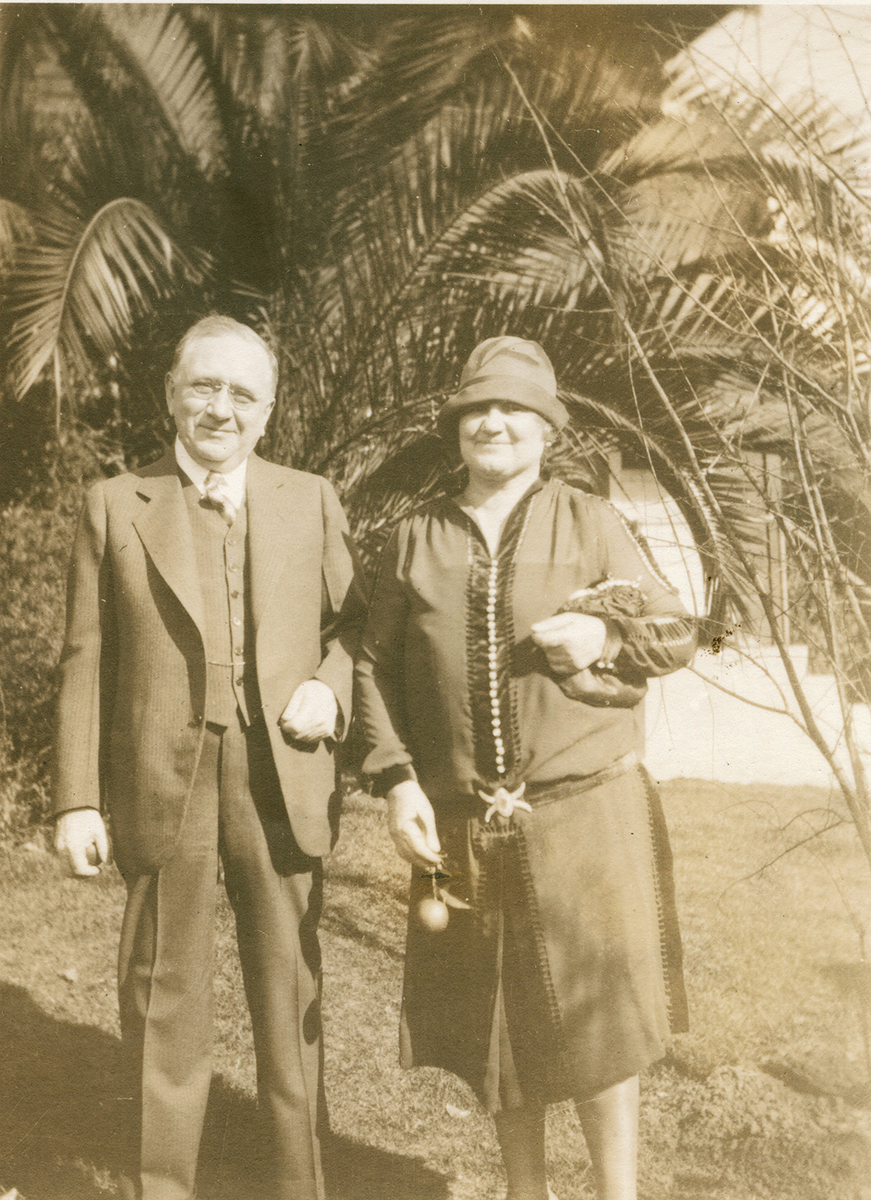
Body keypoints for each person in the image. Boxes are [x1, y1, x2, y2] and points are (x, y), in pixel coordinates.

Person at [354, 337, 697, 1200]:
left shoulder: (591, 521)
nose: (494, 423)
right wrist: (397, 780)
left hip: (586, 812)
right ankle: (523, 1193)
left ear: (546, 431)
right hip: (467, 821)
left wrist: (606, 635)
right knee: (498, 1027)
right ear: (456, 427)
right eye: (477, 410)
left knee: (600, 1026)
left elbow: (678, 631)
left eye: (514, 410)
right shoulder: (416, 537)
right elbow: (372, 665)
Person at [52, 315, 363, 1200]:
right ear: (171, 394)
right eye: (204, 386)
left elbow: (355, 629)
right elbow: (85, 657)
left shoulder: (310, 497)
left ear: (267, 412)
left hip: (279, 774)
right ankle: (163, 1189)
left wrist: (331, 688)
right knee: (163, 998)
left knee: (289, 995)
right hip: (162, 779)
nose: (219, 407)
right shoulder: (115, 502)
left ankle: (301, 1187)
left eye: (241, 393)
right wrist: (76, 798)